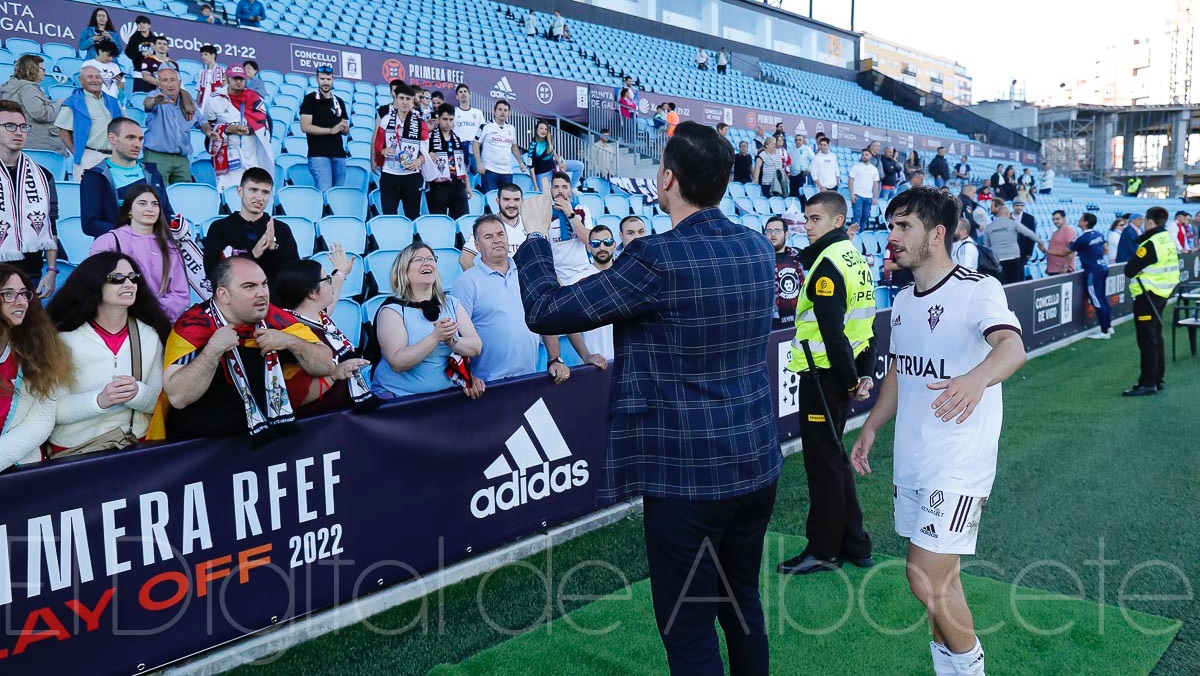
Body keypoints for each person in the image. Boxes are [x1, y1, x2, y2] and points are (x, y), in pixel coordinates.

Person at [515, 121, 781, 675]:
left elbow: (545, 310)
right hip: (756, 461)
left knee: (689, 627)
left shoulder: (657, 257)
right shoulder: (757, 246)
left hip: (688, 476)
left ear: (666, 179)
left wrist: (535, 238)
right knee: (742, 605)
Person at [851, 186, 1026, 676]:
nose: (892, 236)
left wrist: (976, 379)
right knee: (942, 584)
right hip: (914, 459)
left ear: (937, 234)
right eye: (891, 225)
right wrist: (871, 427)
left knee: (924, 577)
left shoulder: (977, 289)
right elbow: (900, 371)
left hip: (959, 461)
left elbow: (1012, 348)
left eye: (904, 226)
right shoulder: (904, 300)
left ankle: (971, 670)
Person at [777, 190, 876, 576]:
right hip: (837, 374)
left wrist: (851, 381)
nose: (807, 225)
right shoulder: (854, 257)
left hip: (824, 376)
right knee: (833, 459)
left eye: (815, 218)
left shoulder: (829, 263)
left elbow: (834, 334)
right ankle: (855, 543)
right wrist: (862, 375)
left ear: (837, 221)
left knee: (823, 467)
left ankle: (823, 550)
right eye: (806, 218)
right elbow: (866, 326)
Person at [153, 256, 333, 443]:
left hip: (264, 438)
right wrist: (213, 350)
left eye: (264, 284)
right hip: (200, 446)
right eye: (249, 287)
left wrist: (291, 342)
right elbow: (177, 397)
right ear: (223, 294)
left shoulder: (273, 316)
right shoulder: (193, 324)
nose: (262, 293)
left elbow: (326, 364)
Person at [43, 252, 168, 456]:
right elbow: (51, 411)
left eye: (133, 277)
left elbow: (161, 402)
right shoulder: (62, 339)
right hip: (75, 450)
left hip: (135, 444)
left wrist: (138, 393)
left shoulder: (149, 335)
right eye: (117, 278)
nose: (128, 284)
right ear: (94, 284)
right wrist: (99, 400)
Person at [450, 215, 567, 383]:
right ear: (477, 246)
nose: (496, 240)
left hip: (528, 378)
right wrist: (468, 377)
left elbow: (545, 318)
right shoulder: (466, 282)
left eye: (500, 234)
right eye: (488, 237)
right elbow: (456, 337)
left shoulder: (528, 274)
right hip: (486, 385)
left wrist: (554, 359)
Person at [372, 243, 485, 398]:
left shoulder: (451, 303)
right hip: (400, 399)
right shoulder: (392, 310)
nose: (426, 263)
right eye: (418, 260)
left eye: (430, 259)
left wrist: (452, 341)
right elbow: (397, 362)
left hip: (446, 396)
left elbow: (476, 347)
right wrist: (435, 338)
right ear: (404, 270)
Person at [271, 254, 374, 413]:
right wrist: (334, 375)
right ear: (312, 292)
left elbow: (333, 295)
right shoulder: (292, 331)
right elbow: (296, 395)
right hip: (321, 419)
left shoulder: (319, 316)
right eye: (327, 280)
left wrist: (341, 272)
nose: (331, 283)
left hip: (344, 412)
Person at [0, 264, 73, 468]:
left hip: (23, 469)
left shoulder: (37, 348)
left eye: (24, 293)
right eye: (8, 294)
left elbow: (41, 419)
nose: (21, 302)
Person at [90, 183, 190, 321]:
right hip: (116, 321)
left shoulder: (170, 247)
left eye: (155, 204)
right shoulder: (107, 242)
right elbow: (95, 286)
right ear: (129, 210)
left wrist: (150, 309)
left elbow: (180, 295)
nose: (150, 209)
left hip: (158, 321)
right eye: (142, 203)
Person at [0, 101, 60, 300]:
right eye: (9, 126)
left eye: (22, 126)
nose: (18, 132)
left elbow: (50, 225)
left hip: (30, 274)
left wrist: (51, 270)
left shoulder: (43, 176)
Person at [79, 117, 174, 239]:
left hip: (153, 246)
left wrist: (176, 225)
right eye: (130, 138)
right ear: (112, 139)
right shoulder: (95, 176)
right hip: (116, 248)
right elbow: (90, 224)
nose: (137, 144)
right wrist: (130, 235)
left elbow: (166, 213)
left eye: (140, 139)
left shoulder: (153, 173)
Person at [204, 167, 299, 283]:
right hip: (235, 294)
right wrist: (253, 254)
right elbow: (212, 272)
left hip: (273, 293)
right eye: (253, 190)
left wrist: (273, 249)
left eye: (265, 192)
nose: (259, 198)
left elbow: (293, 275)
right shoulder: (219, 228)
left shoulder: (281, 229)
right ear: (240, 191)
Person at [1122, 206, 1179, 397]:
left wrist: (1138, 268)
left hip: (1147, 295)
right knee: (1156, 336)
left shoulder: (1150, 243)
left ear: (1150, 221)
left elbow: (1130, 270)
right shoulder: (1166, 238)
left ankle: (1147, 383)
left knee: (1147, 340)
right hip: (1162, 293)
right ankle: (1158, 379)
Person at [202, 65, 274, 193]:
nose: (239, 82)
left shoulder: (254, 98)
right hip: (227, 154)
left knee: (252, 190)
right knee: (228, 191)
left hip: (251, 152)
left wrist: (249, 130)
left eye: (241, 78)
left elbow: (265, 125)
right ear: (227, 78)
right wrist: (228, 129)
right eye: (235, 78)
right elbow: (209, 127)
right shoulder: (214, 99)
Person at [55, 65, 123, 180]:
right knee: (87, 189)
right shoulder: (73, 101)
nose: (95, 80)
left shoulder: (112, 101)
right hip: (89, 155)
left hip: (113, 156)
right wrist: (76, 152)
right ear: (81, 80)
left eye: (98, 77)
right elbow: (63, 130)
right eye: (90, 77)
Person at [373, 81, 426, 218]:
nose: (404, 102)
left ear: (412, 101)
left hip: (411, 176)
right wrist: (383, 151)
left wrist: (418, 161)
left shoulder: (420, 123)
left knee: (412, 216)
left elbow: (427, 151)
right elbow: (378, 146)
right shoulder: (386, 120)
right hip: (390, 174)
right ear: (395, 99)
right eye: (401, 98)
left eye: (408, 98)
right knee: (389, 217)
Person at [0, 55, 66, 155]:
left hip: (26, 141)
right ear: (33, 69)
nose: (44, 73)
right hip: (40, 144)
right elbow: (41, 114)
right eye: (42, 69)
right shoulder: (28, 88)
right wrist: (59, 104)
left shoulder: (12, 86)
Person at [142, 66, 196, 185]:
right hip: (157, 156)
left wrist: (208, 131)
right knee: (156, 193)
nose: (170, 84)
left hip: (181, 159)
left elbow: (201, 120)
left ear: (179, 82)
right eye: (165, 80)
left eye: (173, 80)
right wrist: (155, 101)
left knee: (185, 192)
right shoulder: (155, 96)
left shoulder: (187, 100)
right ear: (159, 84)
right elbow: (147, 103)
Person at [300, 65, 350, 192]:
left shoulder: (339, 101)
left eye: (328, 79)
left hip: (339, 155)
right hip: (318, 155)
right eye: (322, 79)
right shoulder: (310, 99)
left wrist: (344, 128)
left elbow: (346, 131)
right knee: (324, 192)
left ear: (333, 79)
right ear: (317, 79)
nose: (325, 82)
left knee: (338, 194)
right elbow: (305, 127)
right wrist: (331, 130)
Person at [1069, 213, 1113, 340]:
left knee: (1097, 300)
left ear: (1085, 222)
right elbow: (1105, 249)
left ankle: (1104, 331)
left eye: (1081, 219)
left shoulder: (1082, 238)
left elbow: (1065, 252)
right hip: (1103, 267)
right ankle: (1109, 326)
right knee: (1103, 297)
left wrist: (1047, 251)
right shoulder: (1098, 234)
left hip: (1093, 271)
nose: (1078, 220)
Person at [424, 103, 472, 219]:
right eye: (445, 119)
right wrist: (427, 155)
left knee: (462, 220)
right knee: (439, 222)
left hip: (457, 186)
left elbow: (461, 164)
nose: (448, 123)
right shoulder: (429, 137)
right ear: (438, 119)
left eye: (451, 119)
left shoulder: (457, 138)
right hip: (437, 187)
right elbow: (420, 157)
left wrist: (468, 186)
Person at [461, 183, 526, 268]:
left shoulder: (531, 224)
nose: (511, 205)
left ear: (522, 201)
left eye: (516, 200)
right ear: (498, 201)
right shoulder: (486, 225)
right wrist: (478, 277)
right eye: (506, 199)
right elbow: (464, 259)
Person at [982, 199, 1044, 285]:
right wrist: (1040, 242)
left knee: (1002, 285)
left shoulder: (989, 227)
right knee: (1016, 284)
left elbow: (987, 245)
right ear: (1008, 214)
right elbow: (1028, 233)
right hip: (1014, 258)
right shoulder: (1013, 223)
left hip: (998, 260)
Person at [475, 100, 527, 194]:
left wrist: (520, 162)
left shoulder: (511, 128)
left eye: (505, 110)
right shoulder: (486, 126)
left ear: (508, 113)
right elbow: (475, 144)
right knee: (490, 198)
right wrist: (479, 163)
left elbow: (514, 147)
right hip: (489, 170)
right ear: (495, 111)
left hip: (507, 171)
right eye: (500, 109)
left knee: (507, 198)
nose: (503, 112)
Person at [764, 215, 803, 327]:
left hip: (798, 320)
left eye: (777, 230)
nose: (773, 234)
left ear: (786, 234)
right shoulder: (761, 260)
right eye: (769, 231)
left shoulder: (797, 255)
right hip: (773, 323)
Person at [452, 84, 485, 177]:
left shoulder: (478, 112)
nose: (463, 94)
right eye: (460, 92)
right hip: (460, 148)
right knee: (461, 175)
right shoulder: (453, 112)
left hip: (475, 149)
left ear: (469, 95)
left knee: (478, 175)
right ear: (457, 96)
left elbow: (483, 130)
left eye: (465, 91)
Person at [81, 41, 125, 105]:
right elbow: (83, 84)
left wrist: (119, 82)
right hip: (94, 101)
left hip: (113, 101)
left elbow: (122, 88)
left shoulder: (115, 67)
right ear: (100, 51)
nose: (111, 59)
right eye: (109, 55)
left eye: (113, 56)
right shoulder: (88, 64)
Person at [848, 147, 880, 230]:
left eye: (866, 155)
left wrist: (875, 197)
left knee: (865, 216)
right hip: (857, 196)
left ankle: (861, 233)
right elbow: (850, 181)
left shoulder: (874, 169)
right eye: (863, 155)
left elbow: (876, 184)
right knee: (857, 216)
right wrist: (852, 194)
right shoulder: (856, 167)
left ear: (870, 156)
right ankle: (854, 234)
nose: (864, 156)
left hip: (868, 197)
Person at [528, 120, 563, 186]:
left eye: (546, 129)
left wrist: (559, 163)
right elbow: (531, 168)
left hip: (554, 168)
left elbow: (553, 151)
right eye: (541, 128)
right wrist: (535, 186)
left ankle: (572, 187)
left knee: (579, 166)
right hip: (542, 173)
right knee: (547, 192)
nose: (544, 131)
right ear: (536, 130)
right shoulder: (533, 146)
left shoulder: (549, 140)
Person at [195, 45, 225, 117]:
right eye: (202, 55)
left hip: (217, 105)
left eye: (206, 54)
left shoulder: (222, 71)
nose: (203, 57)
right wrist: (196, 108)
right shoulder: (202, 72)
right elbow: (199, 92)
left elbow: (225, 89)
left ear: (213, 55)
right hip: (203, 104)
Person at [1044, 210, 1077, 275]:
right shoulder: (1055, 233)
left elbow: (1071, 250)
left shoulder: (1069, 231)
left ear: (1064, 218)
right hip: (1053, 269)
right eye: (1053, 220)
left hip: (1062, 270)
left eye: (1057, 219)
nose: (1055, 221)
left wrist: (1066, 267)